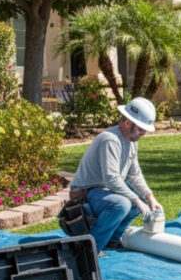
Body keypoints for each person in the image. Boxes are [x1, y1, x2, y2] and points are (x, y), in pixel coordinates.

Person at [69, 96, 162, 253]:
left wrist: (149, 198)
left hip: (102, 192)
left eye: (144, 129)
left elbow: (134, 174)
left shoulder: (132, 142)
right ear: (127, 122)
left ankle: (112, 240)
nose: (143, 133)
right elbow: (111, 179)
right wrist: (137, 200)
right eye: (140, 128)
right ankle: (91, 248)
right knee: (123, 204)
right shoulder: (110, 140)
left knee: (134, 204)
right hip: (84, 193)